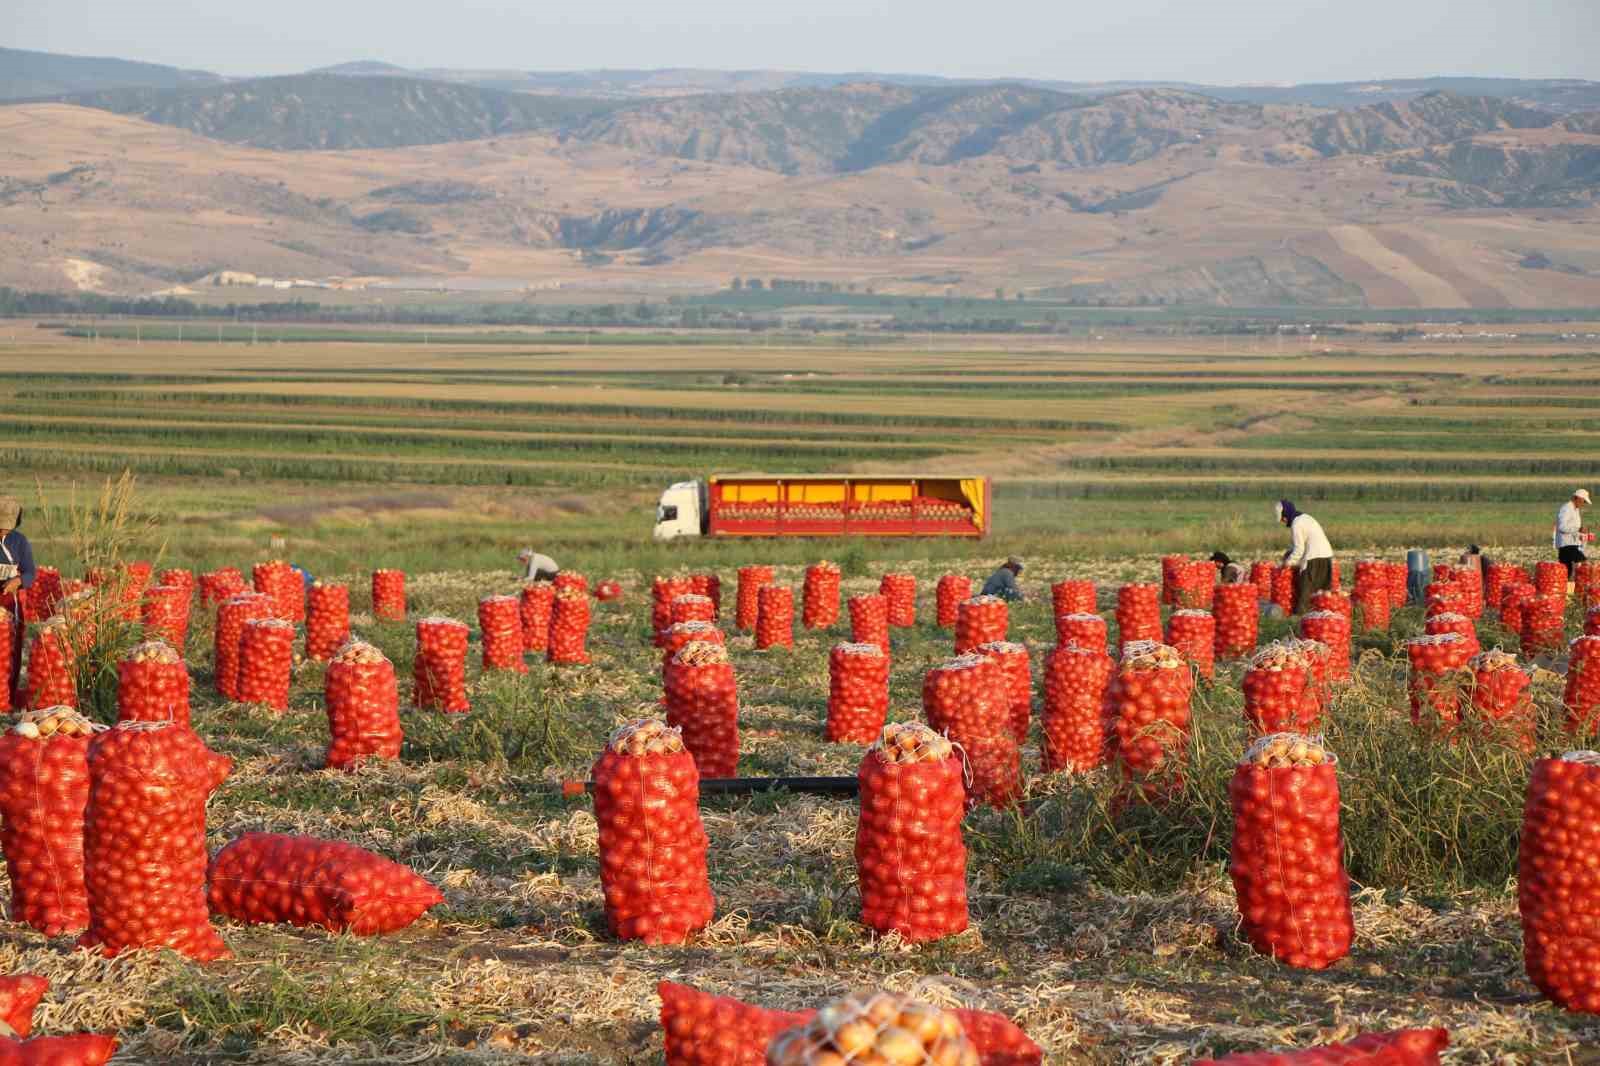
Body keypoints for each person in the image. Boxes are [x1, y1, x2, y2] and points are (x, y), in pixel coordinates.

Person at [0, 496, 37, 706]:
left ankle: (8, 700)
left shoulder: (20, 542)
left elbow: (31, 572)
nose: (2, 531)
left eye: (6, 528)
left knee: (10, 652)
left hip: (11, 602)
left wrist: (19, 580)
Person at [1276, 499, 1333, 615]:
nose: (1283, 521)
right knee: (1321, 591)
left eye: (1282, 517)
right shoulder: (1305, 517)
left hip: (1314, 558)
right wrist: (1289, 553)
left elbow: (1299, 549)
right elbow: (1302, 543)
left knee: (1305, 591)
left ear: (1286, 514)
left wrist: (1287, 563)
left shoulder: (1296, 524)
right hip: (1326, 556)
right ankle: (1322, 618)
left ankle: (1300, 619)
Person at [1554, 489, 1592, 588]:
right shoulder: (1566, 508)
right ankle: (1583, 586)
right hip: (1566, 544)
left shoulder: (1575, 510)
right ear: (1578, 498)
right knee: (1584, 563)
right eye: (1584, 501)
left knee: (1566, 572)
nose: (1584, 504)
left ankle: (1567, 591)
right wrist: (1578, 529)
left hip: (1572, 543)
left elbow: (1574, 528)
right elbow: (1562, 527)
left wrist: (1582, 534)